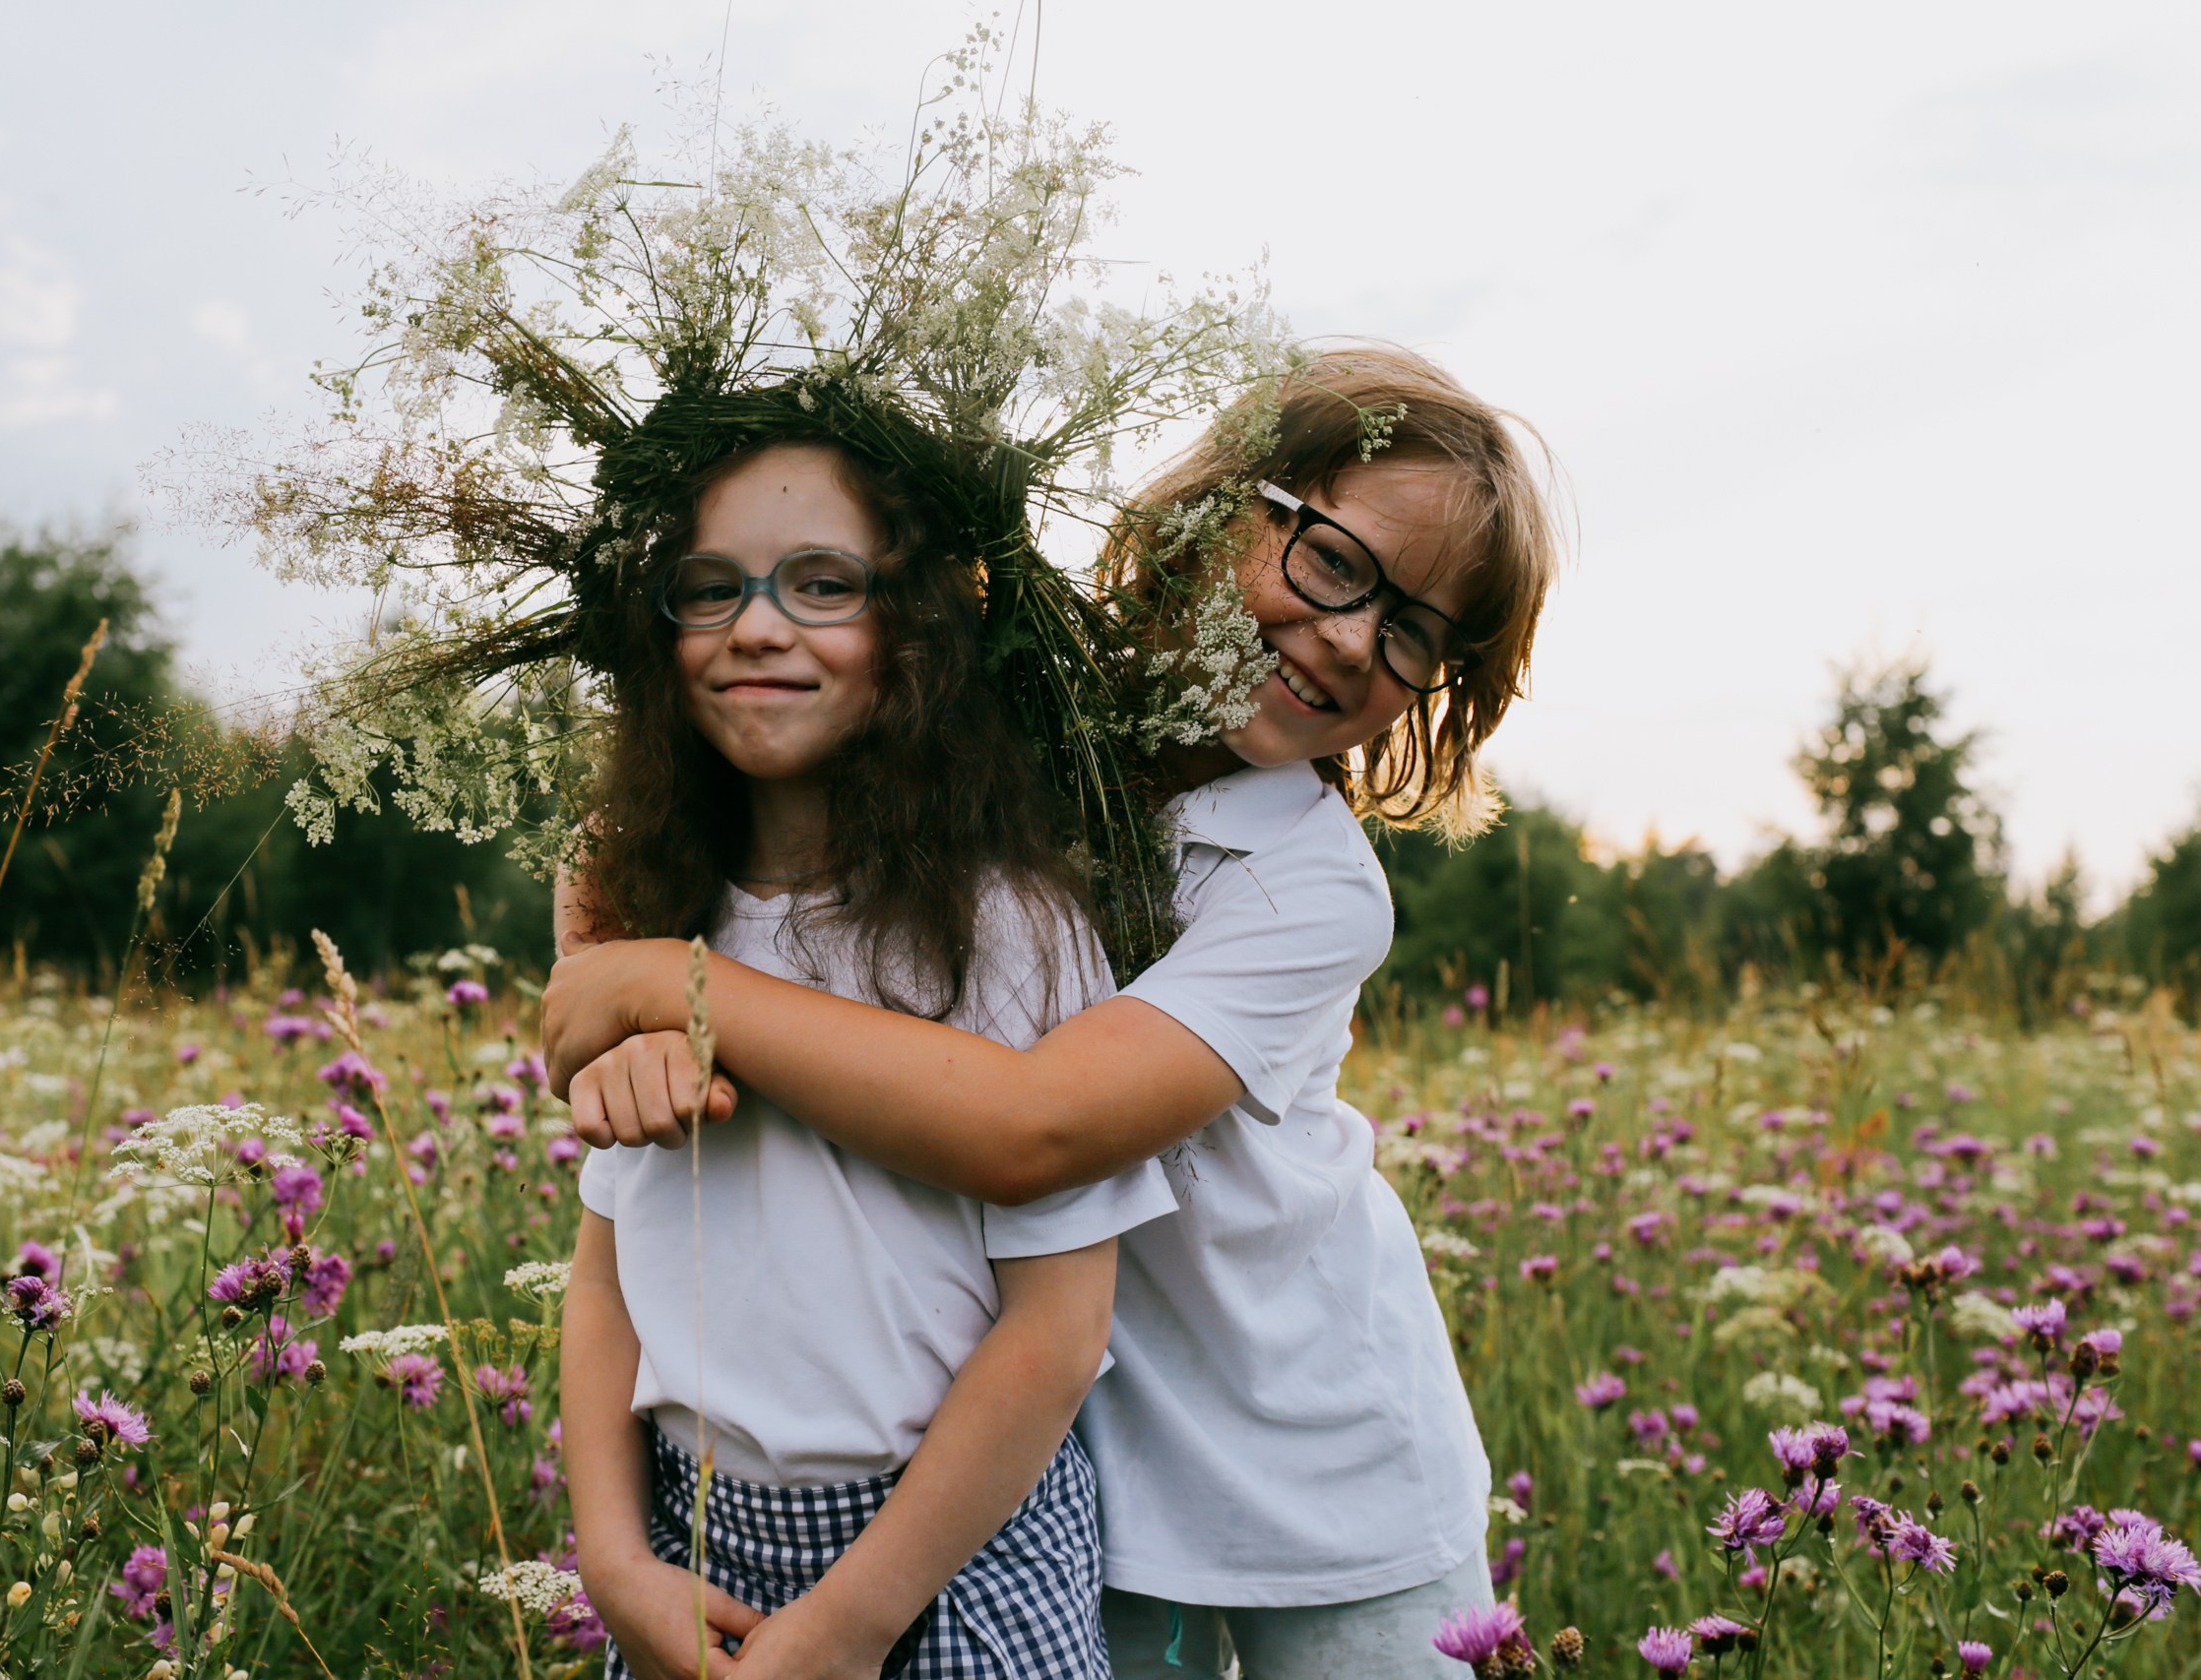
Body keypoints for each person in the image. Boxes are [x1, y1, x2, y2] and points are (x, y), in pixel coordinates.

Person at [546, 343, 1559, 1679]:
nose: (1355, 637)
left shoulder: (1313, 884)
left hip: (1314, 1459)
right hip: (1047, 1460)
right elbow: (715, 825)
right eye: (1331, 560)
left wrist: (675, 987)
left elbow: (1035, 1128)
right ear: (1216, 510)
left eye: (1417, 630)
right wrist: (624, 953)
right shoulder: (1021, 732)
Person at [554, 413, 1178, 1680]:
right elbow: (604, 1278)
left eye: (823, 584)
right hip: (693, 1557)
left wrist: (851, 1622)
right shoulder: (647, 910)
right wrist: (615, 1563)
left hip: (949, 1561)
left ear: (913, 635)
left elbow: (1057, 1332)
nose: (759, 626)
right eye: (711, 588)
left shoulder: (1008, 922)